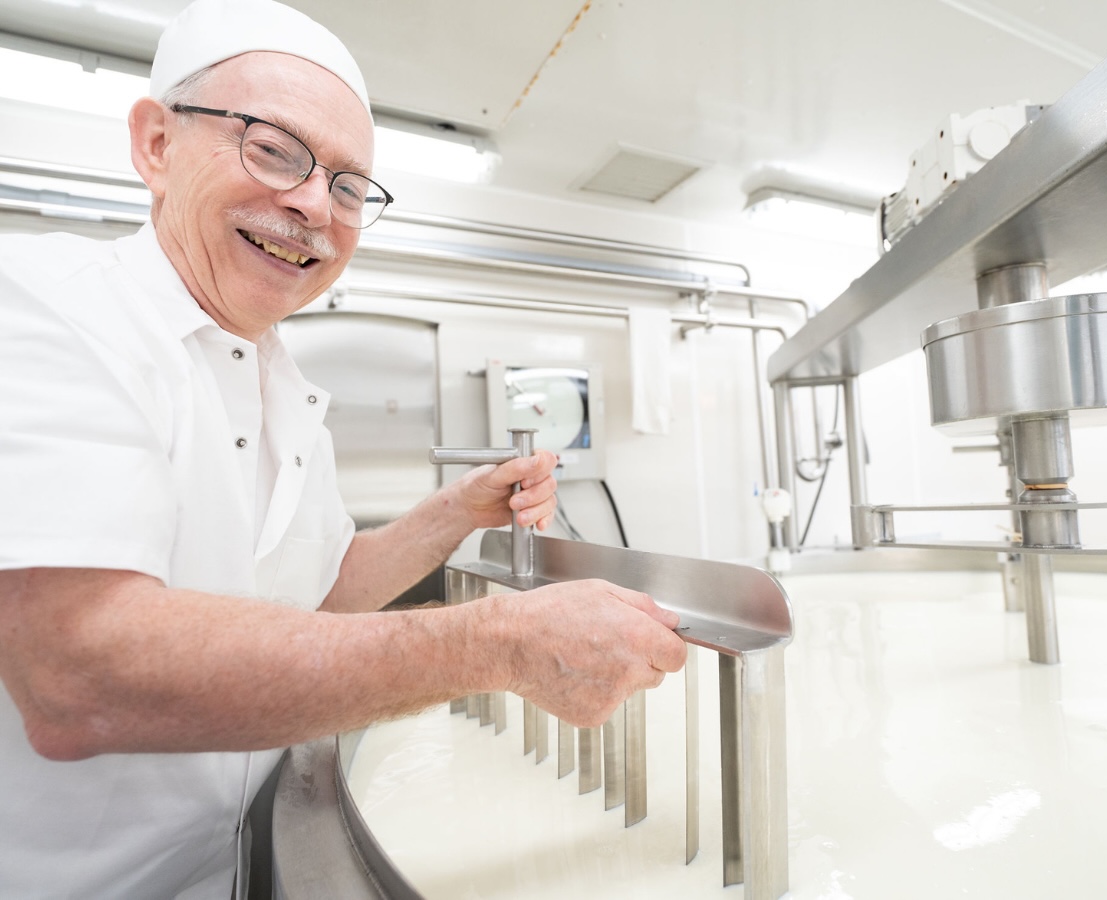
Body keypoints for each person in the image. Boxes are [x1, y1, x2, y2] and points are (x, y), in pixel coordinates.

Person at [0, 1, 688, 897]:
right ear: (156, 145)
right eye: (273, 149)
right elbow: (77, 671)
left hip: (238, 863)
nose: (312, 205)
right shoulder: (48, 309)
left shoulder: (283, 386)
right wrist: (497, 644)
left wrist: (455, 513)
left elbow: (317, 593)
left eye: (349, 185)